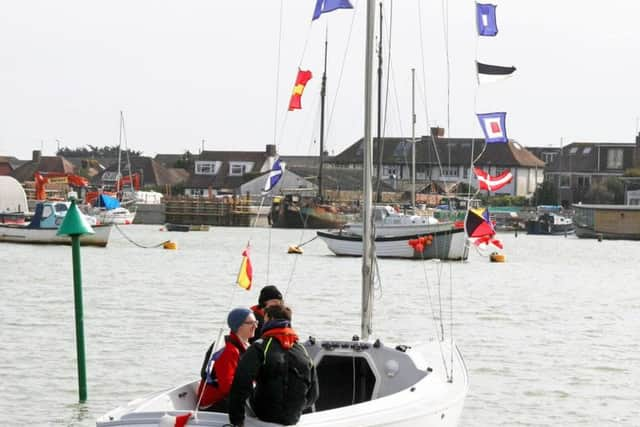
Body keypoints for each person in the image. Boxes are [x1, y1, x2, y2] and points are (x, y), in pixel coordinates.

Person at [228, 304, 318, 427]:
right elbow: (314, 395)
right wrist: (294, 408)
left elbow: (240, 385)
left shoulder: (259, 346)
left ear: (270, 319)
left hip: (264, 414)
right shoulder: (303, 350)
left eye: (263, 320)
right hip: (293, 418)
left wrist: (236, 421)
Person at [196, 307, 257, 411]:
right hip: (213, 404)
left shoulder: (245, 345)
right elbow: (227, 387)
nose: (255, 326)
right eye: (251, 323)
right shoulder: (228, 350)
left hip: (229, 398)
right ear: (238, 326)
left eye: (256, 322)